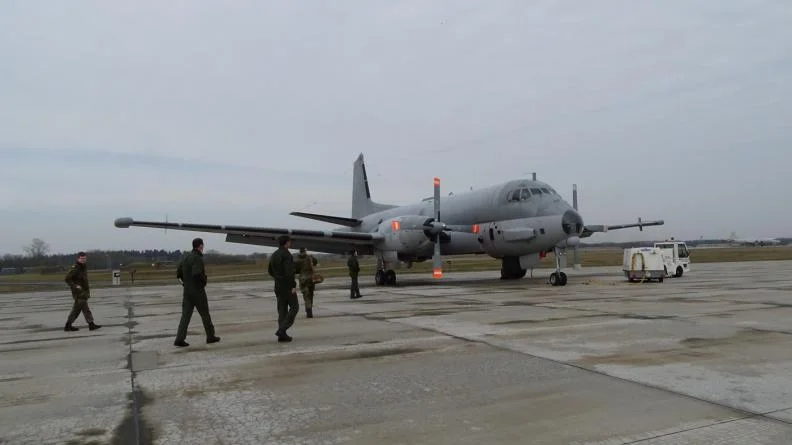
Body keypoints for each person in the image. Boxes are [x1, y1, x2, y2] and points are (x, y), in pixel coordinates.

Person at [174, 238, 220, 347]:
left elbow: (178, 274)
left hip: (187, 291)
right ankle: (210, 336)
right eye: (202, 245)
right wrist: (204, 282)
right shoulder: (197, 258)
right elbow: (197, 273)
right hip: (198, 291)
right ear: (200, 246)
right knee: (205, 314)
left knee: (185, 316)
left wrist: (185, 284)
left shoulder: (185, 257)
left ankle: (179, 338)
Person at [268, 235, 299, 342]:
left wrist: (278, 279)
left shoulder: (274, 254)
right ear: (287, 242)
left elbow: (270, 271)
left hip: (278, 286)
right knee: (294, 307)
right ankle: (282, 330)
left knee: (282, 311)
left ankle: (282, 336)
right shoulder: (286, 255)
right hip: (287, 286)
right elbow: (289, 272)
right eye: (290, 242)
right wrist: (293, 285)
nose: (291, 243)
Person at [64, 252, 101, 331]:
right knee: (85, 309)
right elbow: (67, 279)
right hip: (79, 293)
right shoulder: (76, 268)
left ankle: (68, 325)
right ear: (78, 259)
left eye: (85, 258)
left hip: (83, 292)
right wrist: (75, 286)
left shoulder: (83, 267)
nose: (83, 260)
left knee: (76, 310)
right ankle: (91, 324)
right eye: (82, 258)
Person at [293, 247, 318, 318]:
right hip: (311, 279)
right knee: (311, 294)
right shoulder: (310, 257)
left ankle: (308, 309)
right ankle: (309, 309)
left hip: (303, 279)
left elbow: (295, 270)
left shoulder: (296, 259)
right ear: (305, 251)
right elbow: (315, 263)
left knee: (306, 295)